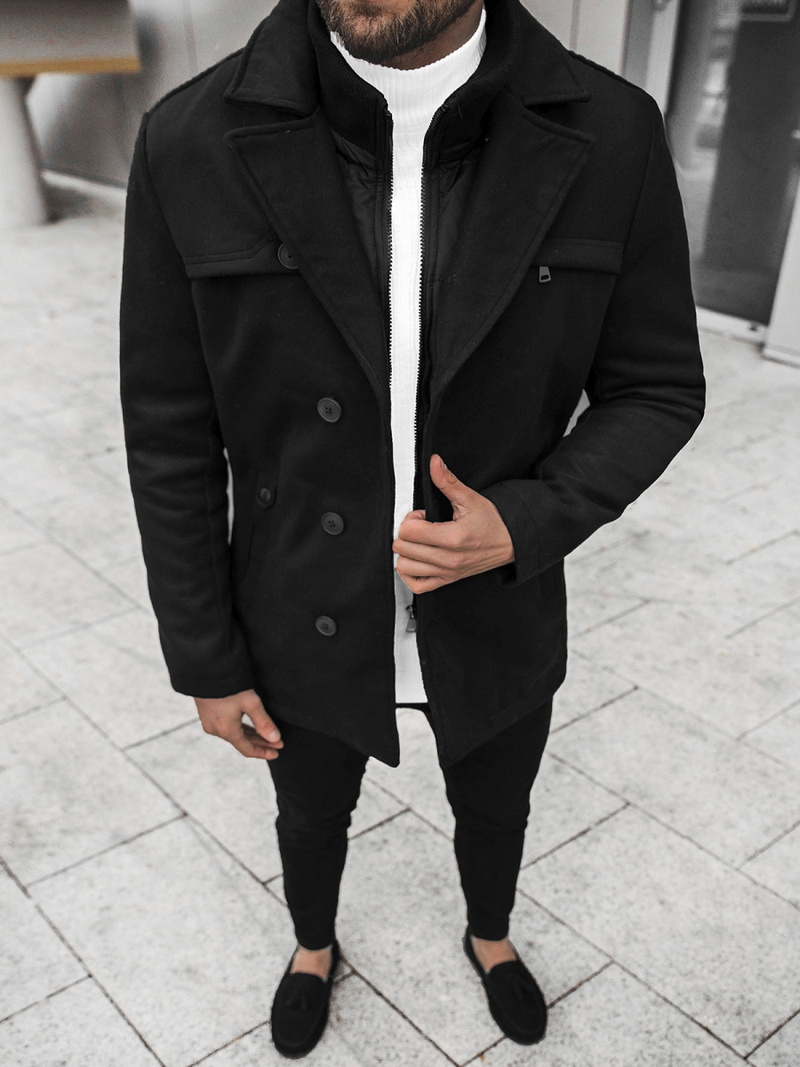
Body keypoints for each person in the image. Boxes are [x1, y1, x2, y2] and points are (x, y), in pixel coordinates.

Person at [120, 0, 705, 1057]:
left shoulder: (611, 131)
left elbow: (657, 385)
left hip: (498, 604)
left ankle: (489, 932)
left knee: (496, 800)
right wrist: (204, 654)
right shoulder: (188, 139)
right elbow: (168, 431)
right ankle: (312, 943)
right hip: (294, 600)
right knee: (308, 809)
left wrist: (526, 520)